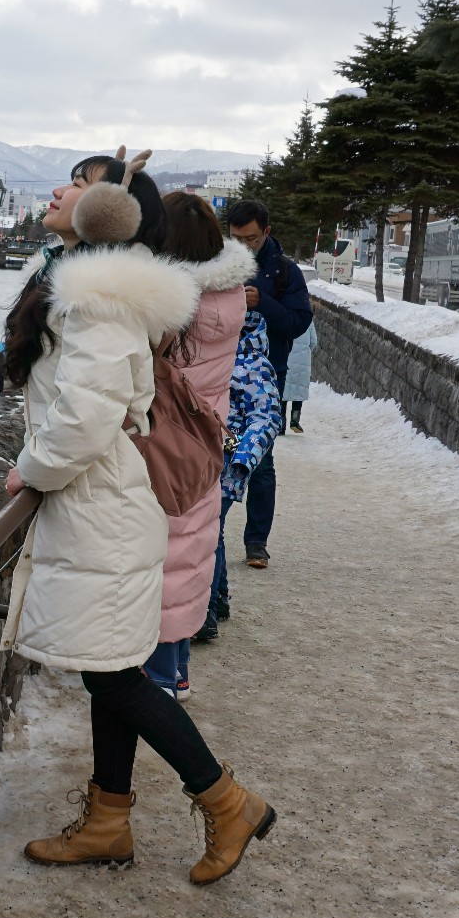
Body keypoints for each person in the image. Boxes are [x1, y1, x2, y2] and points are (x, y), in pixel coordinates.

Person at [0, 152, 275, 885]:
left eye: (80, 185)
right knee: (108, 670)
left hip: (103, 511)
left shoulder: (100, 300)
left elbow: (86, 418)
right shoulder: (96, 289)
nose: (60, 190)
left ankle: (226, 801)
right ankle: (108, 820)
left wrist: (30, 469)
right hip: (104, 510)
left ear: (106, 216)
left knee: (118, 675)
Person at [142, 192, 254, 700]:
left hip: (163, 442)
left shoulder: (169, 305)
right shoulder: (231, 297)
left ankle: (160, 678)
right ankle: (179, 669)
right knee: (193, 551)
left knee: (163, 556)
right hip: (206, 442)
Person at [222, 199, 312, 570]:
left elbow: (298, 322)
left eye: (251, 238)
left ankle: (256, 542)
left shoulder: (285, 272)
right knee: (213, 457)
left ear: (267, 233)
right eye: (236, 238)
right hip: (220, 375)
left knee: (261, 462)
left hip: (266, 377)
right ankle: (209, 535)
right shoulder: (218, 262)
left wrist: (263, 304)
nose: (243, 245)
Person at [193, 311, 280, 645]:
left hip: (229, 463)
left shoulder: (255, 365)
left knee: (208, 532)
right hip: (202, 458)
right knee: (212, 528)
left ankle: (205, 615)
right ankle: (220, 597)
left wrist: (244, 459)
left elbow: (267, 417)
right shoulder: (203, 357)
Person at [284, 319, 315, 433]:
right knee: (299, 390)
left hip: (286, 358)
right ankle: (295, 421)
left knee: (283, 392)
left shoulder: (284, 317)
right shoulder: (307, 320)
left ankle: (281, 424)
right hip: (303, 361)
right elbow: (313, 342)